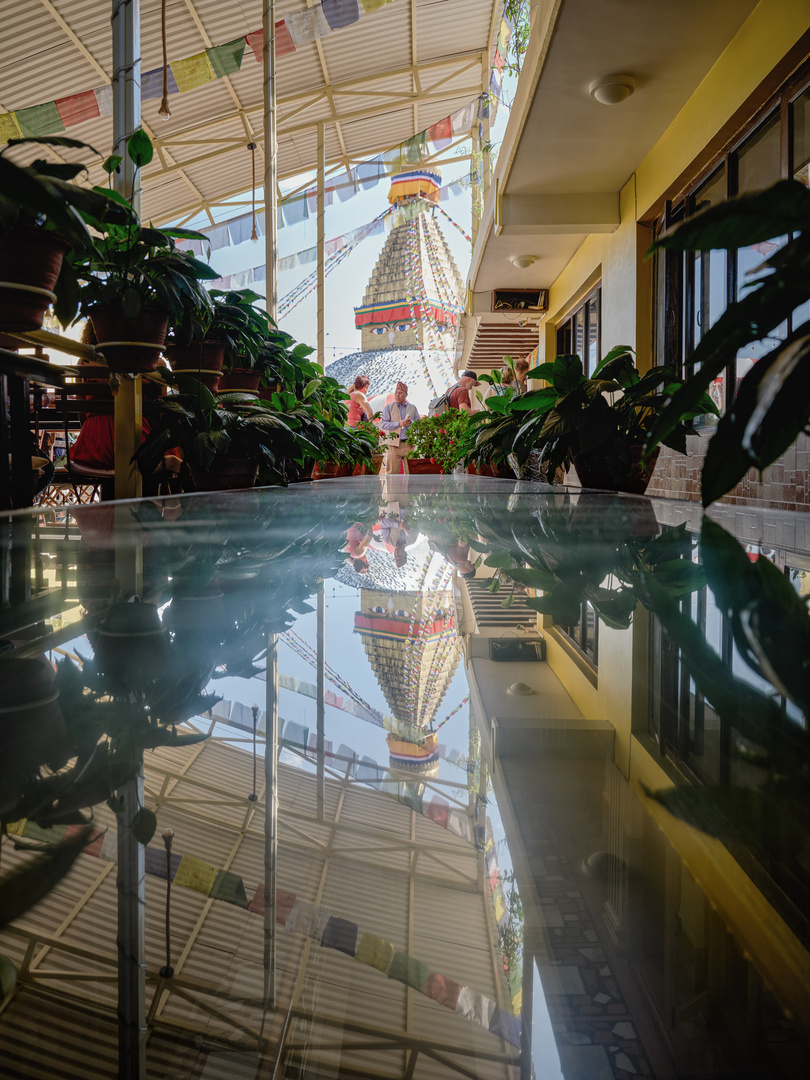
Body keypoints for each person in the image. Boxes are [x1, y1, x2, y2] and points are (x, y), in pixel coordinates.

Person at [380, 381, 420, 475]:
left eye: (400, 393)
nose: (397, 395)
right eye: (396, 392)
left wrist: (411, 422)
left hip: (409, 444)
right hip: (393, 446)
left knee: (412, 475)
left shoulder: (413, 408)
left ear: (406, 395)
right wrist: (399, 424)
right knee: (392, 475)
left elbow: (419, 423)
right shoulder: (388, 408)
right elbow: (384, 424)